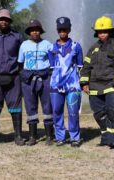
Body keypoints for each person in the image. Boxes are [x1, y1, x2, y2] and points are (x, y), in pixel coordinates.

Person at [80, 16, 114, 152]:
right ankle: (107, 137)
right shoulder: (93, 48)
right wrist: (84, 82)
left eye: (105, 31)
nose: (102, 34)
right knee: (99, 114)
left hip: (112, 86)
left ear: (111, 31)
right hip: (95, 87)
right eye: (100, 32)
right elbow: (86, 66)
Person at [0, 9, 25, 146]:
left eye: (6, 20)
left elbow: (22, 56)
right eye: (1, 19)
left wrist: (21, 73)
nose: (3, 21)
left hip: (13, 77)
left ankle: (18, 136)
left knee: (16, 107)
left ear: (9, 21)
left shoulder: (16, 36)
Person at [48, 17, 83, 147]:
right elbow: (52, 68)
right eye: (60, 29)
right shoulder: (51, 48)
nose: (63, 32)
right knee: (57, 111)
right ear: (57, 30)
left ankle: (74, 137)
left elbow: (80, 66)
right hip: (56, 85)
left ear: (69, 29)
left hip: (73, 85)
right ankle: (60, 137)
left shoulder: (76, 46)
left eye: (65, 29)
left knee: (73, 112)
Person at [18, 19, 53, 146]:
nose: (35, 32)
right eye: (32, 30)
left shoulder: (47, 44)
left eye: (37, 30)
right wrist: (24, 76)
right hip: (29, 78)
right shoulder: (24, 45)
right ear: (29, 32)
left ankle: (49, 135)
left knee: (47, 106)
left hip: (44, 77)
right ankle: (32, 136)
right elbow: (20, 63)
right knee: (30, 107)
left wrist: (47, 73)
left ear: (40, 31)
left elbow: (52, 62)